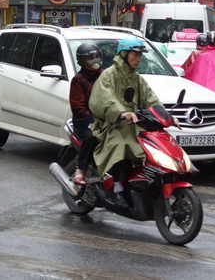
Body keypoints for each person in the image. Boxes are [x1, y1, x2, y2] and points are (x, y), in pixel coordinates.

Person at [89, 37, 161, 209]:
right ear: (123, 54)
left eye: (140, 55)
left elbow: (151, 99)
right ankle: (118, 188)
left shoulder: (137, 79)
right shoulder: (108, 75)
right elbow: (105, 99)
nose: (138, 59)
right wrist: (121, 112)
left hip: (133, 125)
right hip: (110, 125)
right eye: (134, 55)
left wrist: (167, 115)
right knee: (121, 145)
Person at [69, 42, 104, 186]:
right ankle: (81, 170)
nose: (94, 60)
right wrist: (94, 122)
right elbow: (78, 108)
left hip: (105, 118)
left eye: (96, 57)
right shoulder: (79, 80)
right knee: (92, 137)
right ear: (82, 61)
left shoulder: (105, 74)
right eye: (90, 58)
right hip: (85, 120)